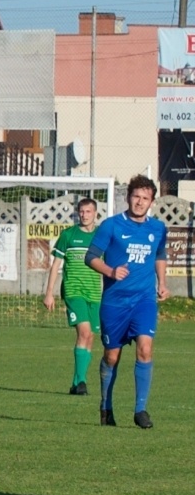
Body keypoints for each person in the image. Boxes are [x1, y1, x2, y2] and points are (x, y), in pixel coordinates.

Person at [87, 175, 168, 429]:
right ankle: (105, 405)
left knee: (145, 347)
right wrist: (110, 271)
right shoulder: (111, 226)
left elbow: (160, 255)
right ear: (128, 197)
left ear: (151, 202)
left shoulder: (157, 228)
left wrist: (162, 283)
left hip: (143, 300)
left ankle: (140, 410)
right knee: (112, 357)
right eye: (136, 196)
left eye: (145, 198)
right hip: (115, 303)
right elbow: (91, 257)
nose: (140, 202)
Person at [42, 198, 103, 395]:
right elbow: (56, 265)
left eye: (88, 212)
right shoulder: (69, 235)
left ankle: (77, 383)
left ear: (95, 214)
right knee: (84, 333)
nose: (85, 215)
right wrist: (49, 293)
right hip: (73, 291)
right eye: (82, 212)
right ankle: (83, 381)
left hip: (94, 294)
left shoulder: (101, 238)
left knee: (91, 336)